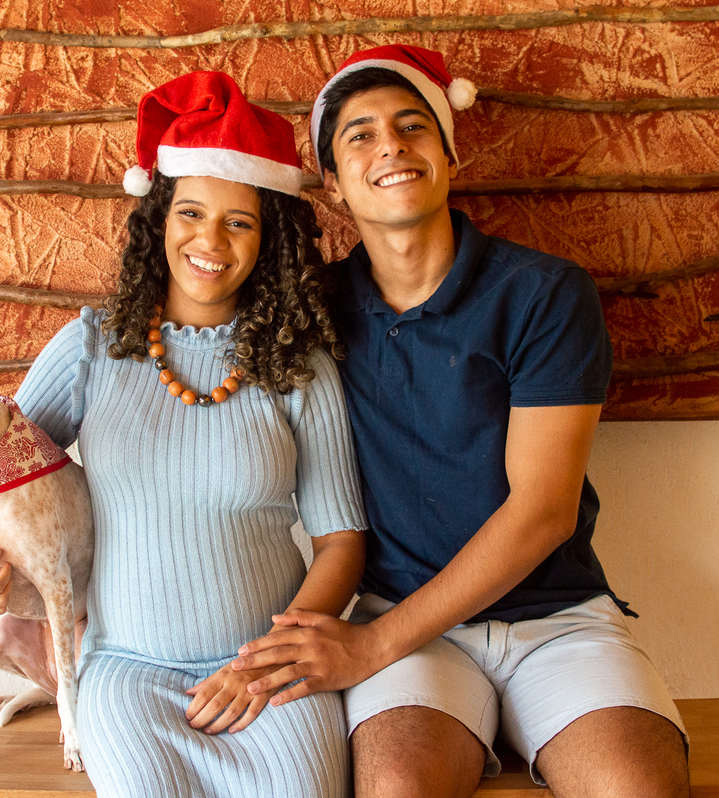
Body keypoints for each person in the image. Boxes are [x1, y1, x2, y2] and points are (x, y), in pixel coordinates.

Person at [230, 45, 691, 798]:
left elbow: (543, 512)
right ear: (336, 187)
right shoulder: (311, 311)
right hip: (408, 623)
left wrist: (367, 646)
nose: (391, 146)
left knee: (637, 788)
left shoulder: (544, 295)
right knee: (397, 789)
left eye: (413, 126)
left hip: (557, 617)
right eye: (360, 136)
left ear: (449, 154)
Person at [0, 71, 367, 798]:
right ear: (159, 217)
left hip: (269, 670)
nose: (210, 240)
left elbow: (340, 540)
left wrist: (271, 658)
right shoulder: (94, 348)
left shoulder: (297, 365)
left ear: (271, 237)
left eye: (239, 221)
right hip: (127, 671)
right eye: (190, 212)